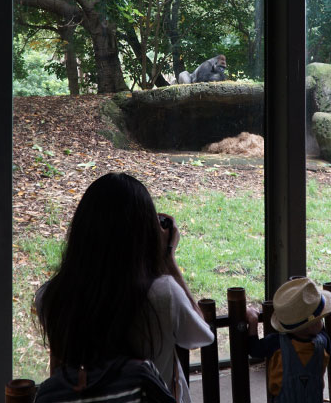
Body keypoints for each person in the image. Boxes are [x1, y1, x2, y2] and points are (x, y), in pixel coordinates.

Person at [35, 172, 214, 403]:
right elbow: (201, 336)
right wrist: (168, 258)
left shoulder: (51, 297)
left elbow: (58, 372)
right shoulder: (163, 294)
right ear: (145, 233)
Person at [246, 277, 331, 403]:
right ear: (313, 325)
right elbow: (321, 330)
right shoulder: (324, 341)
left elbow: (254, 349)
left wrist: (253, 321)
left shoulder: (275, 343)